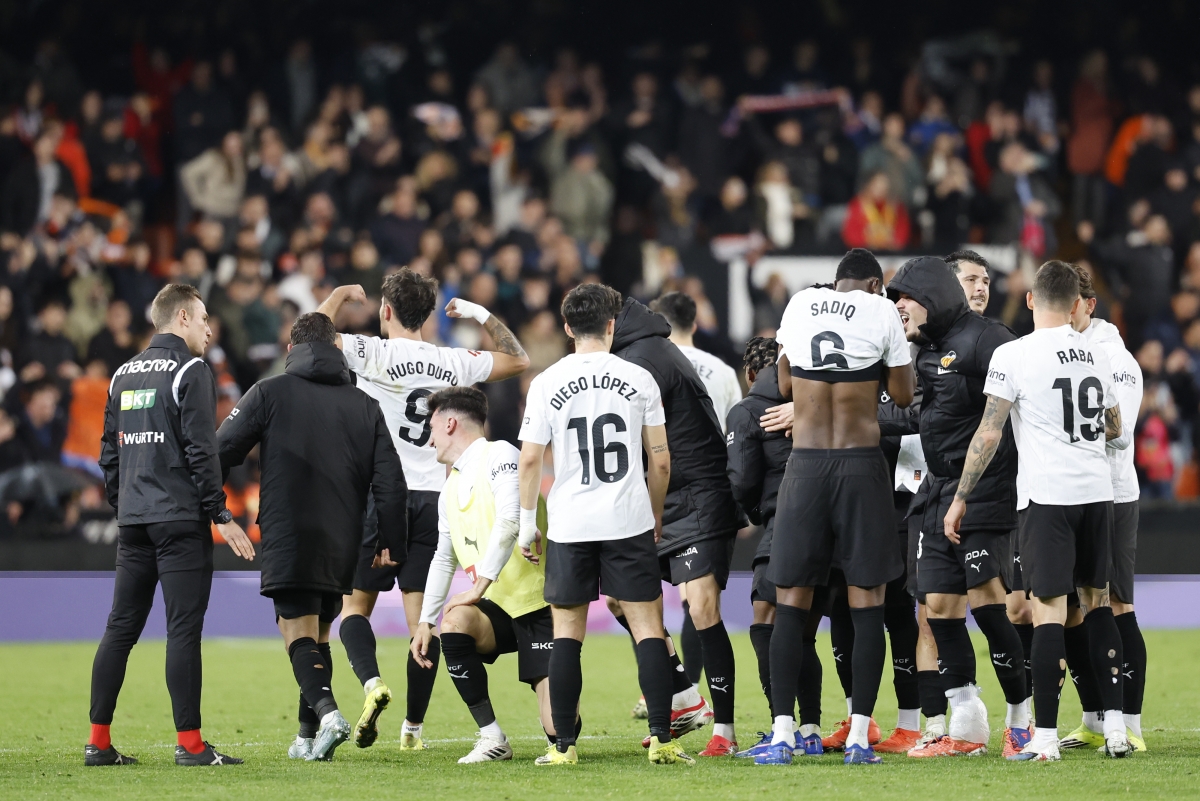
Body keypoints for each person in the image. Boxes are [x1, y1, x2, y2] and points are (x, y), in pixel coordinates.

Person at [316, 269, 530, 750]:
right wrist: (482, 315)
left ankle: (372, 685)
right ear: (429, 316)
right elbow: (519, 360)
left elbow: (310, 337)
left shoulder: (371, 351)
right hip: (438, 499)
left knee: (354, 608)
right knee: (423, 621)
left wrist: (337, 296)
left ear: (385, 311)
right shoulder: (452, 360)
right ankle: (412, 728)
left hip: (380, 494)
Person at [945, 260, 1131, 761]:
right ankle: (1115, 730)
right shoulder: (1096, 352)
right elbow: (1115, 428)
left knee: (1048, 611)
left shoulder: (1014, 353)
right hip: (1097, 494)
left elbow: (989, 431)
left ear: (1030, 300)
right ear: (1076, 305)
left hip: (1048, 498)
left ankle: (1044, 737)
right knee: (1096, 605)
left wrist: (961, 496)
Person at [215, 312, 408, 762]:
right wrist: (391, 543)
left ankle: (328, 714)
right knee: (320, 634)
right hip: (344, 537)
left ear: (290, 351)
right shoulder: (364, 405)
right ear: (338, 350)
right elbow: (391, 482)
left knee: (294, 630)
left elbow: (221, 449)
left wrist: (216, 507)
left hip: (289, 530)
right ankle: (306, 739)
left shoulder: (270, 392)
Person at [516, 283, 691, 766]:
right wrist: (654, 511)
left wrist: (528, 523)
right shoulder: (638, 379)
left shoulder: (547, 382)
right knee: (647, 627)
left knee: (567, 632)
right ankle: (662, 740)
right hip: (627, 518)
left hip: (571, 522)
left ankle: (563, 749)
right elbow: (661, 461)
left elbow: (530, 460)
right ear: (612, 325)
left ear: (568, 327)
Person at [758, 248, 915, 766]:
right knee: (866, 603)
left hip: (804, 469)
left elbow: (782, 384)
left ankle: (782, 734)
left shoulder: (801, 305)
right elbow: (903, 393)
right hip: (860, 465)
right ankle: (858, 737)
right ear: (875, 284)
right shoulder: (882, 312)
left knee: (792, 603)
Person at [89, 284, 255, 767]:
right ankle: (191, 744)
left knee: (120, 629)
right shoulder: (191, 370)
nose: (209, 329)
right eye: (204, 319)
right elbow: (201, 450)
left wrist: (125, 506)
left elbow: (108, 453)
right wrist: (219, 513)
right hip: (179, 520)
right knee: (182, 631)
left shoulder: (122, 373)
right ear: (182, 317)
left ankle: (98, 742)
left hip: (135, 521)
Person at [888, 256, 1031, 759]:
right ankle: (967, 724)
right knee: (940, 607)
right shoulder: (923, 353)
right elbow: (909, 412)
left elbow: (1010, 415)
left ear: (928, 295)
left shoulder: (989, 339)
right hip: (935, 490)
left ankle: (1022, 719)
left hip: (985, 488)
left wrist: (967, 496)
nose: (898, 308)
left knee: (989, 604)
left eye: (903, 298)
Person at [610, 295, 742, 756]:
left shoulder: (640, 360)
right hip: (663, 494)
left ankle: (724, 731)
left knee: (702, 607)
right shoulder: (642, 352)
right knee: (619, 600)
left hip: (697, 494)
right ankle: (685, 695)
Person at [412, 387, 558, 764]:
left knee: (559, 729)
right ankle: (492, 737)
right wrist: (426, 621)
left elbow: (511, 520)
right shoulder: (449, 489)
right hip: (496, 609)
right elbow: (443, 559)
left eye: (432, 427)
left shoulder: (502, 455)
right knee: (454, 620)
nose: (429, 439)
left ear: (450, 422)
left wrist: (478, 587)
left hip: (541, 605)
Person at [1059, 265, 1148, 753]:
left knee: (1116, 603)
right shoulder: (1058, 351)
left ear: (1088, 306)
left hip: (1111, 494)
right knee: (1076, 606)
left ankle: (1129, 725)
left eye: (1068, 302)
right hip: (1069, 493)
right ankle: (1093, 717)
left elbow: (1122, 433)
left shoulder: (1114, 359)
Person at [724, 337, 813, 757]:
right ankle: (812, 727)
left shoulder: (747, 411)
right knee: (807, 628)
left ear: (750, 374)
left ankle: (784, 727)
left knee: (767, 615)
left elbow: (740, 478)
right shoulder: (818, 399)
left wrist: (756, 511)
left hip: (783, 523)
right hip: (830, 521)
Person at [651, 292, 742, 431]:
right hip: (714, 451)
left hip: (664, 451)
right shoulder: (724, 371)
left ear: (659, 327)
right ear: (694, 327)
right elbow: (736, 429)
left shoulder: (647, 369)